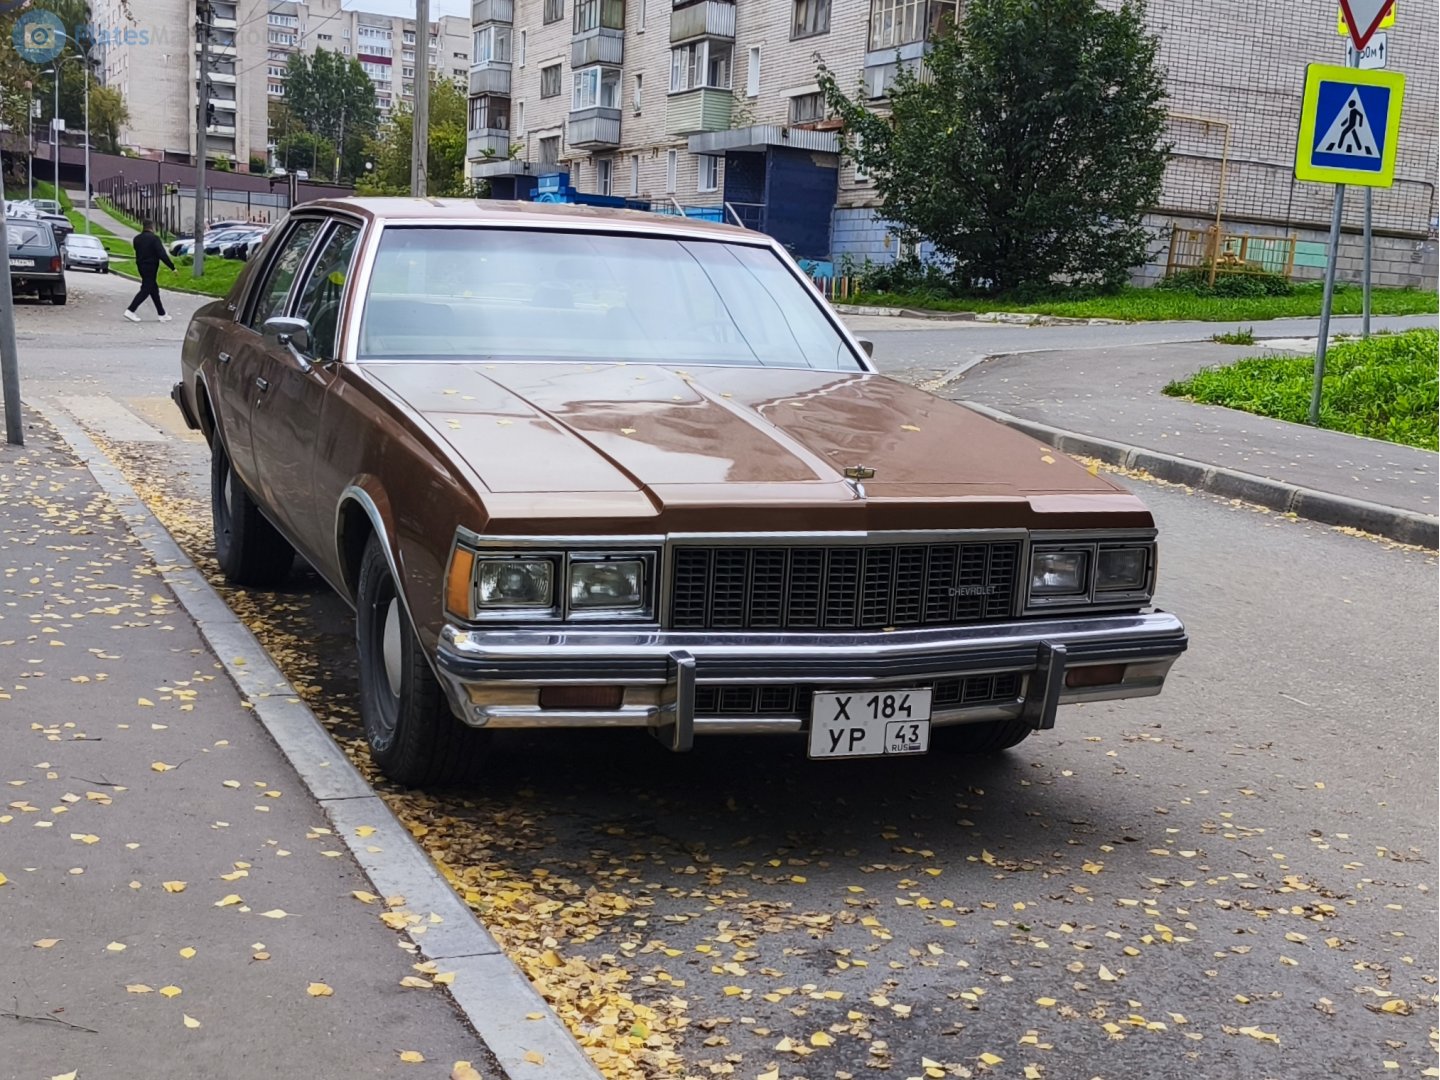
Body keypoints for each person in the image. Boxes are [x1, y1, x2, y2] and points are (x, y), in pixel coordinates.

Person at [124, 220, 175, 323]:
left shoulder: (137, 239)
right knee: (146, 289)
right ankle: (130, 310)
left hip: (141, 266)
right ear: (152, 227)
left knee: (154, 290)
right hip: (151, 267)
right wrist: (172, 267)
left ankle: (162, 314)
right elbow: (162, 254)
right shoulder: (154, 239)